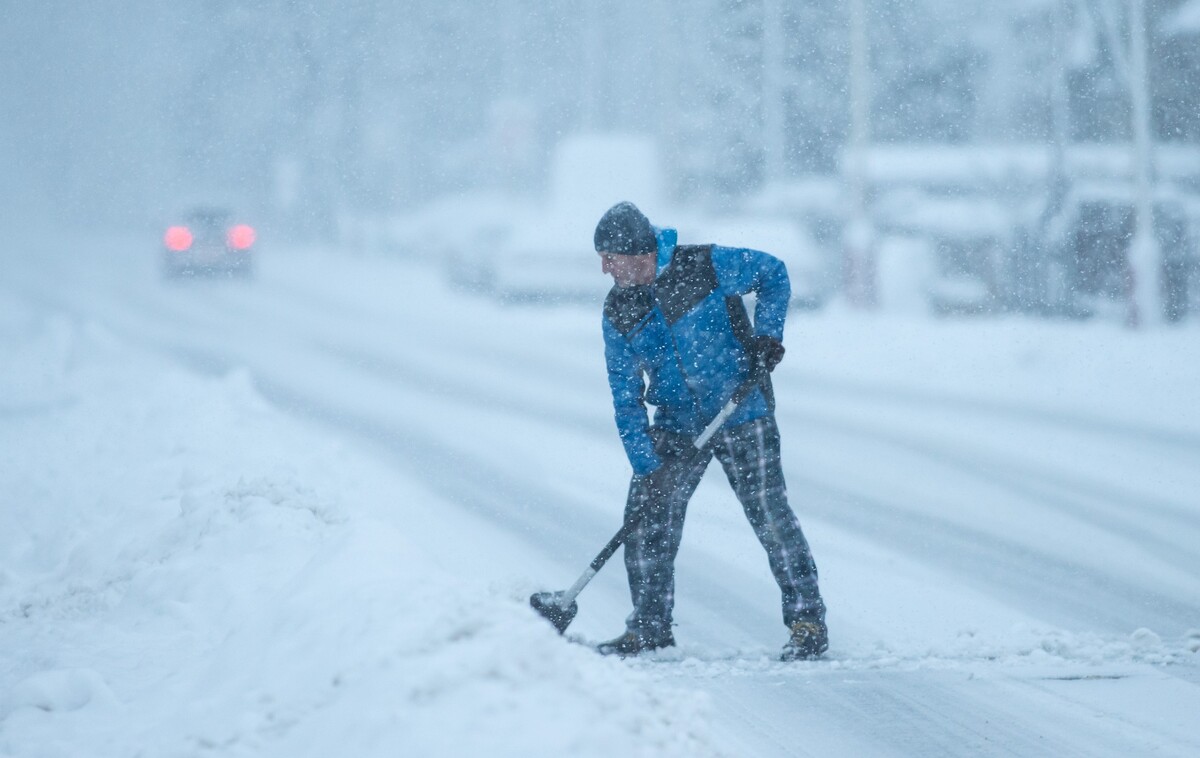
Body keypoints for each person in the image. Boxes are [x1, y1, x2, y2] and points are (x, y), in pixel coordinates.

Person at [592, 201, 827, 660]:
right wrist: (647, 463)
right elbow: (624, 395)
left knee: (770, 517)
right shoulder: (619, 310)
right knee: (646, 521)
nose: (604, 269)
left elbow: (774, 274)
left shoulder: (703, 265)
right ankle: (649, 628)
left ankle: (806, 621)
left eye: (609, 258)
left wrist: (768, 337)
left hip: (741, 410)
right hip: (677, 424)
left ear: (638, 254)